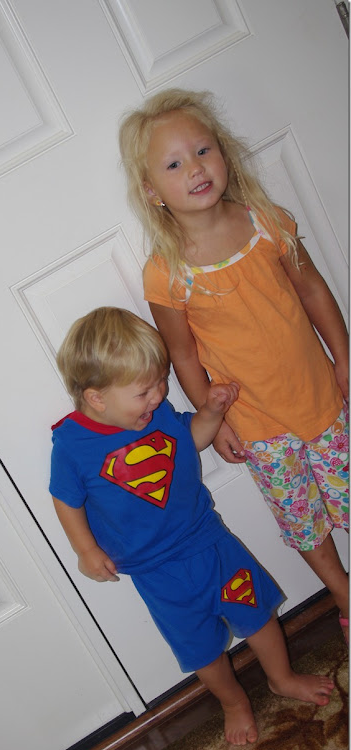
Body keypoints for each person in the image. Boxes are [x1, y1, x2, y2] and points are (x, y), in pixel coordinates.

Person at [118, 88, 349, 641]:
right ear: (151, 191)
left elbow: (314, 291)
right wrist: (211, 416)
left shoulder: (267, 222)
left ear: (223, 153)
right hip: (257, 426)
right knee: (304, 521)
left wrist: (344, 357)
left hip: (322, 398)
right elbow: (182, 353)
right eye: (174, 164)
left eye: (203, 151)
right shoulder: (166, 273)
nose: (196, 169)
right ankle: (344, 597)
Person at [49, 307, 334, 746]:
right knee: (200, 648)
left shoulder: (157, 414)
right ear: (96, 398)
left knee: (257, 614)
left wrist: (212, 412)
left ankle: (282, 677)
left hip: (210, 542)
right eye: (144, 391)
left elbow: (191, 440)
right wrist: (85, 550)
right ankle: (233, 702)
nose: (158, 396)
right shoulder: (73, 444)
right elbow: (66, 500)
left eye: (160, 383)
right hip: (156, 572)